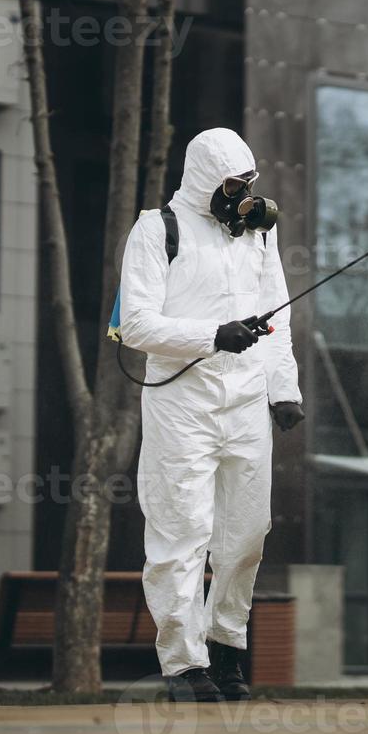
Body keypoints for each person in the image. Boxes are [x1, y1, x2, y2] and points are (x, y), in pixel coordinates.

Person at [118, 128, 306, 702]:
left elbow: (278, 319)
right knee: (182, 533)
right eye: (233, 183)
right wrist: (211, 336)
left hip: (246, 400)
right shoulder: (158, 229)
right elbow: (135, 326)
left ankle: (227, 647)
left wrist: (284, 388)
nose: (244, 193)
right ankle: (183, 665)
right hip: (182, 404)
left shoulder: (257, 236)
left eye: (250, 181)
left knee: (247, 533)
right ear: (203, 177)